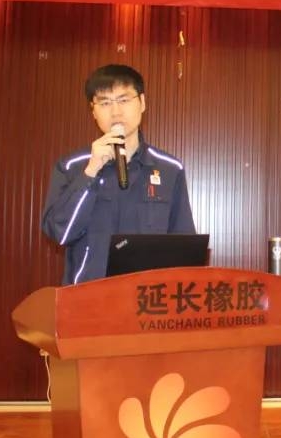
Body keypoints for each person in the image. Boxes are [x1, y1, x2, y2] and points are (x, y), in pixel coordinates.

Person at [41, 64, 195, 285]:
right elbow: (60, 234)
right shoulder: (72, 167)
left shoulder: (170, 169)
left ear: (142, 103)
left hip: (146, 297)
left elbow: (184, 248)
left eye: (124, 100)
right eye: (105, 103)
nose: (115, 112)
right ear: (93, 111)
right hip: (87, 296)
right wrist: (90, 172)